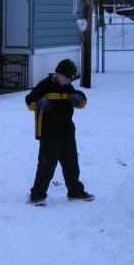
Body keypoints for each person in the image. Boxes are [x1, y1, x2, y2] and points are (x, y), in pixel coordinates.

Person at [25, 59, 94, 206]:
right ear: (58, 73)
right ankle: (37, 195)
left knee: (72, 166)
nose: (68, 81)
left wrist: (79, 98)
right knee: (46, 167)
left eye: (70, 79)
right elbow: (29, 100)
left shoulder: (68, 87)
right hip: (49, 134)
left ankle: (75, 191)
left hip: (67, 133)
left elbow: (81, 103)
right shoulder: (45, 85)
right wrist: (39, 102)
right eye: (66, 78)